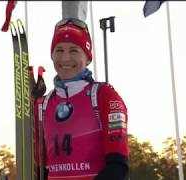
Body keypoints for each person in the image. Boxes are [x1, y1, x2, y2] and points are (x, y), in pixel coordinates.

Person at [35, 18, 129, 180]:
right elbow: (40, 170)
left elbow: (118, 168)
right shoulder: (42, 105)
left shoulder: (104, 96)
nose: (65, 58)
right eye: (59, 50)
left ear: (87, 58)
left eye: (73, 50)